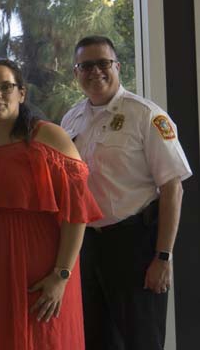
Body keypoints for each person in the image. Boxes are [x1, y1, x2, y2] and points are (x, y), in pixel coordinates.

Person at [0, 59, 103, 350]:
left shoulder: (48, 136)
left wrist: (61, 275)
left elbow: (77, 215)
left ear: (21, 93)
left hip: (41, 273)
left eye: (6, 87)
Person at [61, 36, 191, 350]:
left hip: (136, 246)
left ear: (117, 66)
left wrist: (163, 256)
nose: (95, 72)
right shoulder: (70, 120)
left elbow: (173, 187)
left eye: (103, 63)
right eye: (86, 65)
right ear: (76, 72)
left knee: (141, 340)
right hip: (87, 247)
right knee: (96, 340)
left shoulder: (147, 115)